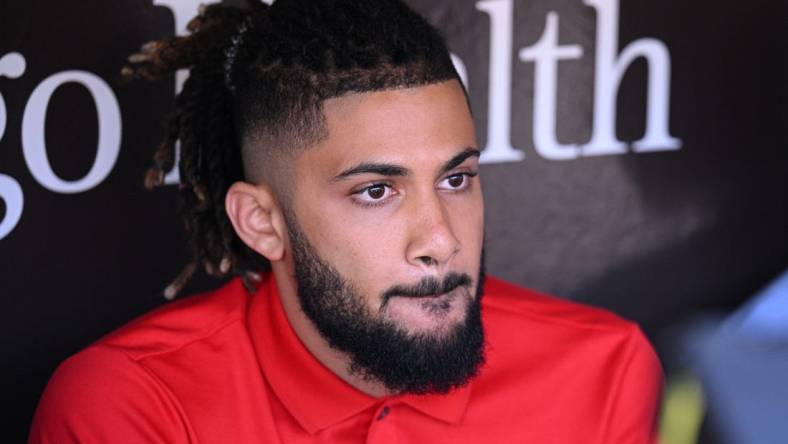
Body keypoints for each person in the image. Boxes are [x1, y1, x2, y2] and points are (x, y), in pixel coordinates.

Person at [29, 1, 662, 442]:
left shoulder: (604, 369)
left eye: (456, 178)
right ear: (261, 222)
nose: (440, 239)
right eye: (377, 190)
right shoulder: (135, 406)